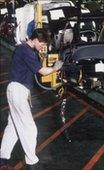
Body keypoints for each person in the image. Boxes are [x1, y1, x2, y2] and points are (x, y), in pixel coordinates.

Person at [0, 28, 64, 170]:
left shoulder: (26, 50)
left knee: (13, 127)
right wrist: (55, 68)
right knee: (30, 129)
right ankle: (32, 163)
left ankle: (2, 158)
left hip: (18, 90)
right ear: (34, 39)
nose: (43, 46)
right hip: (17, 90)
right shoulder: (26, 51)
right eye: (41, 43)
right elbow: (42, 71)